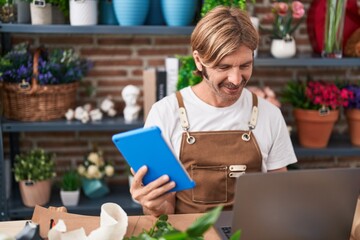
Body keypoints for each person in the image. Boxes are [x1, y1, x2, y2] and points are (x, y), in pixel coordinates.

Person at [130, 6, 297, 216]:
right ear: (199, 61)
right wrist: (151, 204)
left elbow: (278, 198)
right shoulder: (165, 114)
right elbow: (164, 215)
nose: (236, 80)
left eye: (245, 65)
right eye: (224, 67)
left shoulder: (270, 115)